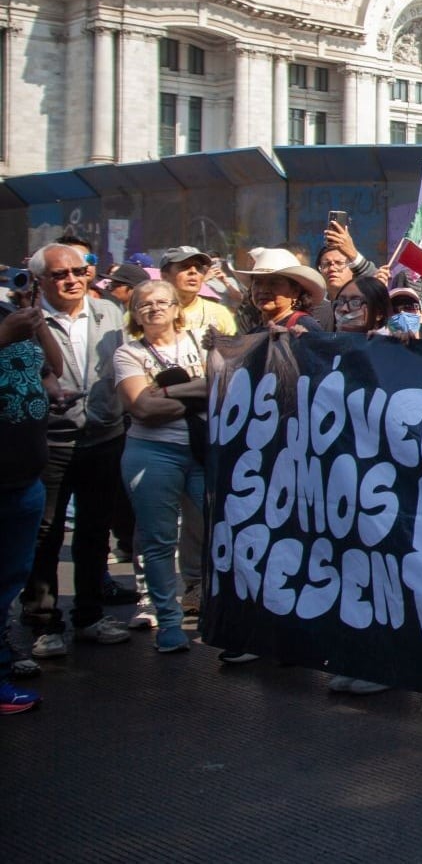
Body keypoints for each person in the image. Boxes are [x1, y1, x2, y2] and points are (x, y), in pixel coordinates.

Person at [21, 243, 133, 659]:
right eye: (59, 274)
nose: (71, 280)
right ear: (40, 281)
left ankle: (89, 615)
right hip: (50, 441)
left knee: (94, 530)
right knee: (45, 534)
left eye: (79, 270)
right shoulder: (27, 321)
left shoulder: (110, 314)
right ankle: (43, 621)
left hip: (103, 437)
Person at [112, 281, 211, 656]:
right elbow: (142, 409)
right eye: (144, 304)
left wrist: (166, 392)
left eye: (161, 302)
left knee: (220, 533)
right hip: (152, 453)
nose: (153, 309)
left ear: (175, 308)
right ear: (135, 313)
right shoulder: (127, 353)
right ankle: (168, 622)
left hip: (203, 453)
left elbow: (221, 384)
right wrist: (197, 391)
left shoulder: (202, 341)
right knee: (158, 541)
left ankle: (221, 615)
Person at [1, 300, 61, 712]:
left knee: (7, 584)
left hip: (25, 481)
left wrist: (36, 326)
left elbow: (52, 366)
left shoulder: (8, 311)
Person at [235, 248, 326, 333]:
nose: (263, 290)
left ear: (295, 291)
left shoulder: (304, 327)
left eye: (274, 283)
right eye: (258, 283)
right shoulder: (255, 333)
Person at [159, 246, 240, 337]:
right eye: (184, 267)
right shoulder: (154, 313)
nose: (193, 271)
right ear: (164, 276)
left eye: (198, 267)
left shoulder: (219, 313)